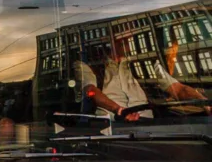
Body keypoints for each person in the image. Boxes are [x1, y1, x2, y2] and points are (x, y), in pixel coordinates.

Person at [75, 37, 209, 121]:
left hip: (148, 125)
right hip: (109, 126)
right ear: (109, 40)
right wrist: (118, 110)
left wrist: (205, 103)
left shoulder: (145, 62)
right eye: (120, 39)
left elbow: (177, 89)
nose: (126, 42)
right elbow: (90, 90)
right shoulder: (89, 64)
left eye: (128, 39)